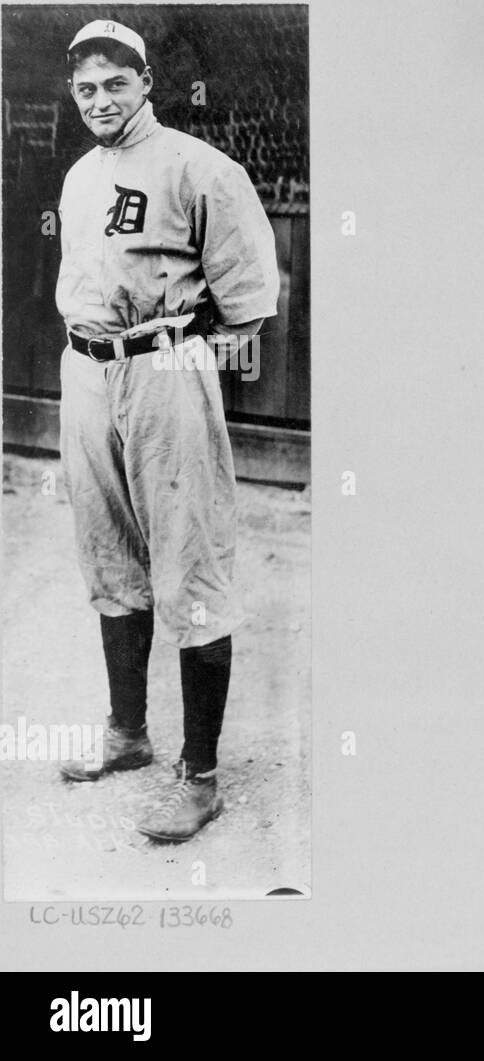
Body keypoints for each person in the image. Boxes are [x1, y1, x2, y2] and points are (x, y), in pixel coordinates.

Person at [54, 19, 279, 842]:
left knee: (189, 559)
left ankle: (202, 774)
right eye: (86, 87)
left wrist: (183, 358)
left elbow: (251, 297)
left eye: (116, 82)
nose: (101, 99)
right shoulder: (80, 177)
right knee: (110, 554)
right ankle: (126, 733)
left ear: (146, 83)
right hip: (86, 370)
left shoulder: (198, 166)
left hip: (165, 368)